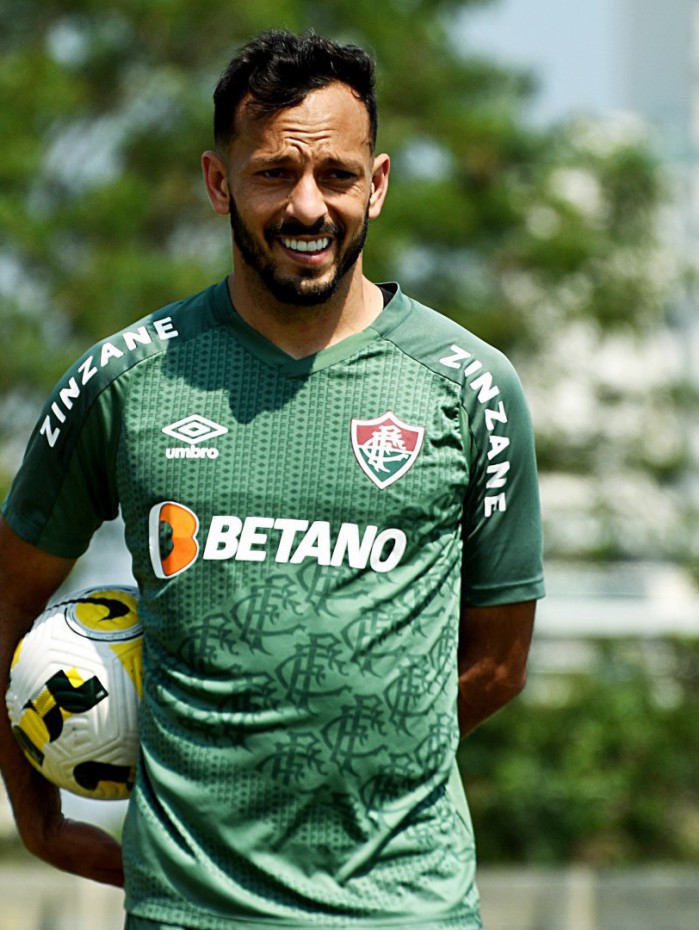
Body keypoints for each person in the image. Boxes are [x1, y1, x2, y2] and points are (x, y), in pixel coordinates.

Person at [0, 29, 544, 930]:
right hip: (189, 911)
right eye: (272, 175)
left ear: (375, 184)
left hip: (406, 908)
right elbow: (5, 606)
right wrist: (39, 818)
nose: (306, 206)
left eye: (335, 175)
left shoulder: (471, 384)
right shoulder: (125, 378)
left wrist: (357, 769)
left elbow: (496, 663)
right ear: (220, 184)